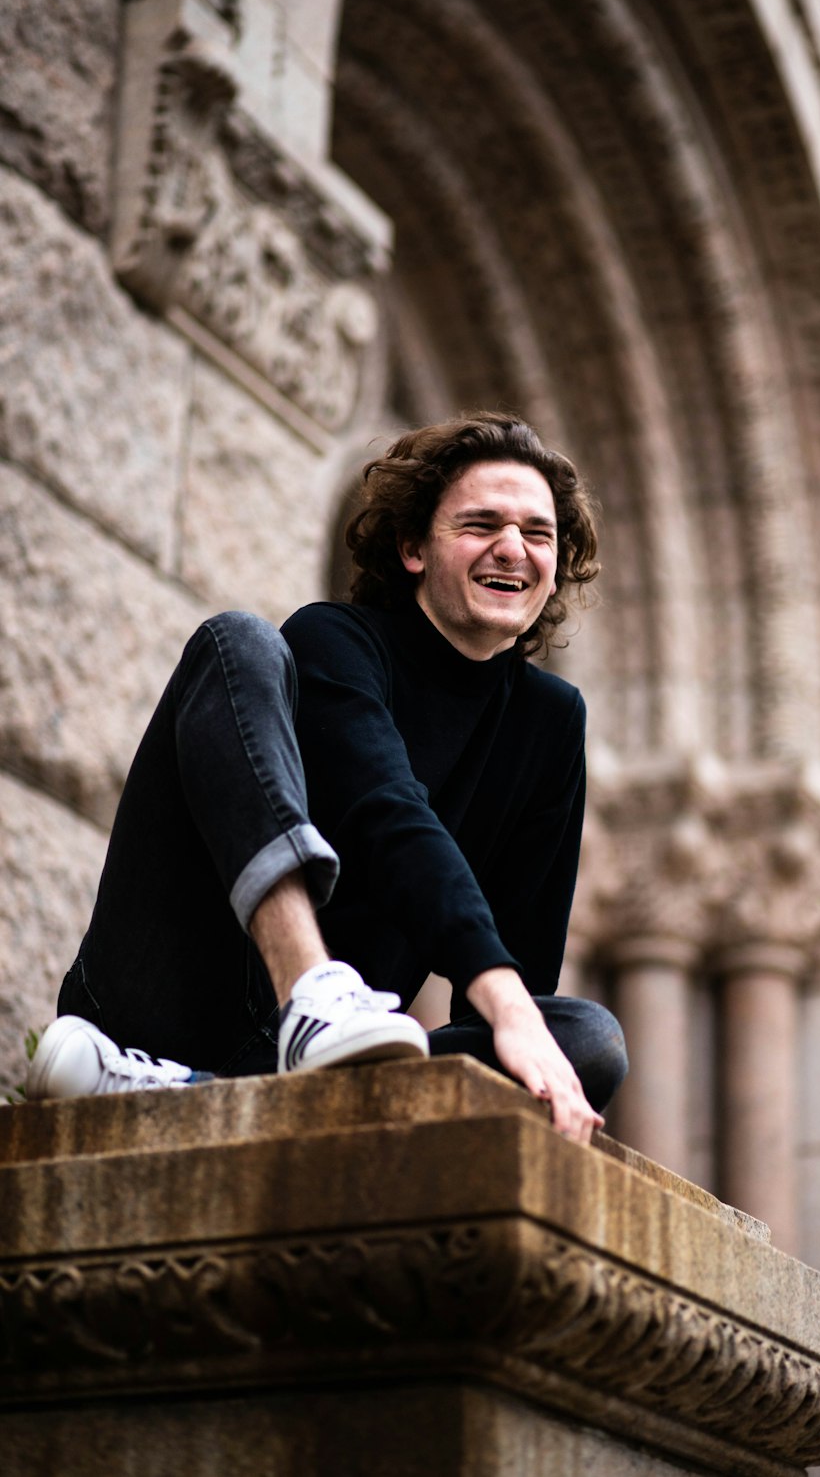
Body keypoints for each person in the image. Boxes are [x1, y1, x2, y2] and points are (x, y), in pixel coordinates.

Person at [26, 413, 627, 1143]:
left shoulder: (550, 722)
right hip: (169, 996)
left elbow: (518, 972)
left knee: (586, 1039)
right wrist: (499, 1003)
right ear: (412, 547)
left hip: (324, 1064)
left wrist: (519, 1039)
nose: (513, 549)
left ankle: (202, 1095)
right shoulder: (332, 643)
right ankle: (302, 999)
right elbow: (388, 813)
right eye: (481, 524)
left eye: (538, 534)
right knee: (237, 640)